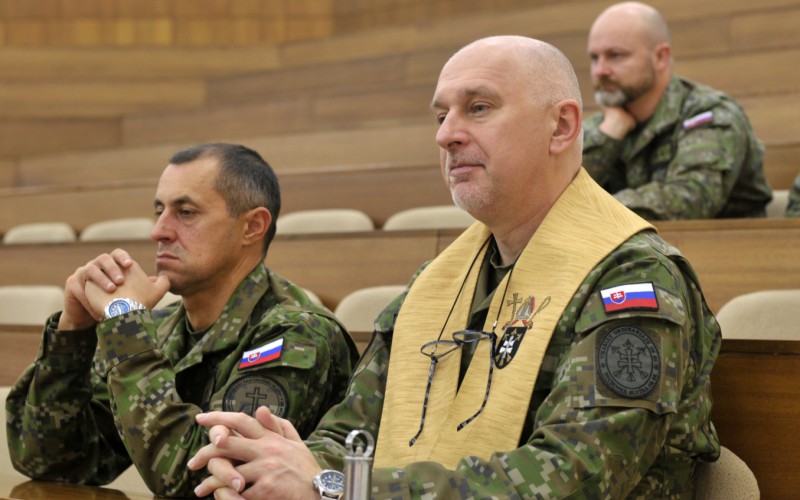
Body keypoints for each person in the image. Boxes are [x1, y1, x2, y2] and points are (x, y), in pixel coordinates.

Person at [188, 37, 721, 499]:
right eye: (441, 116)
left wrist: (334, 486)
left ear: (561, 126)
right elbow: (354, 434)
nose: (447, 135)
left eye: (479, 108)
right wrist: (269, 465)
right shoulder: (437, 281)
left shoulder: (631, 278)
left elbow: (574, 476)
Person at [5, 143, 358, 497]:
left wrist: (126, 324)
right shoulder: (160, 327)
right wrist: (73, 332)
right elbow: (52, 462)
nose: (159, 231)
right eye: (159, 211)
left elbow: (201, 482)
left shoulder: (296, 334)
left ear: (252, 227)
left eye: (185, 213)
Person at [582, 1, 772, 220]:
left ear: (660, 57)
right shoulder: (605, 125)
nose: (600, 71)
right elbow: (557, 194)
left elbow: (690, 199)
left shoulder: (708, 114)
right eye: (594, 58)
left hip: (727, 242)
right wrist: (608, 137)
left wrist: (590, 211)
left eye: (615, 55)